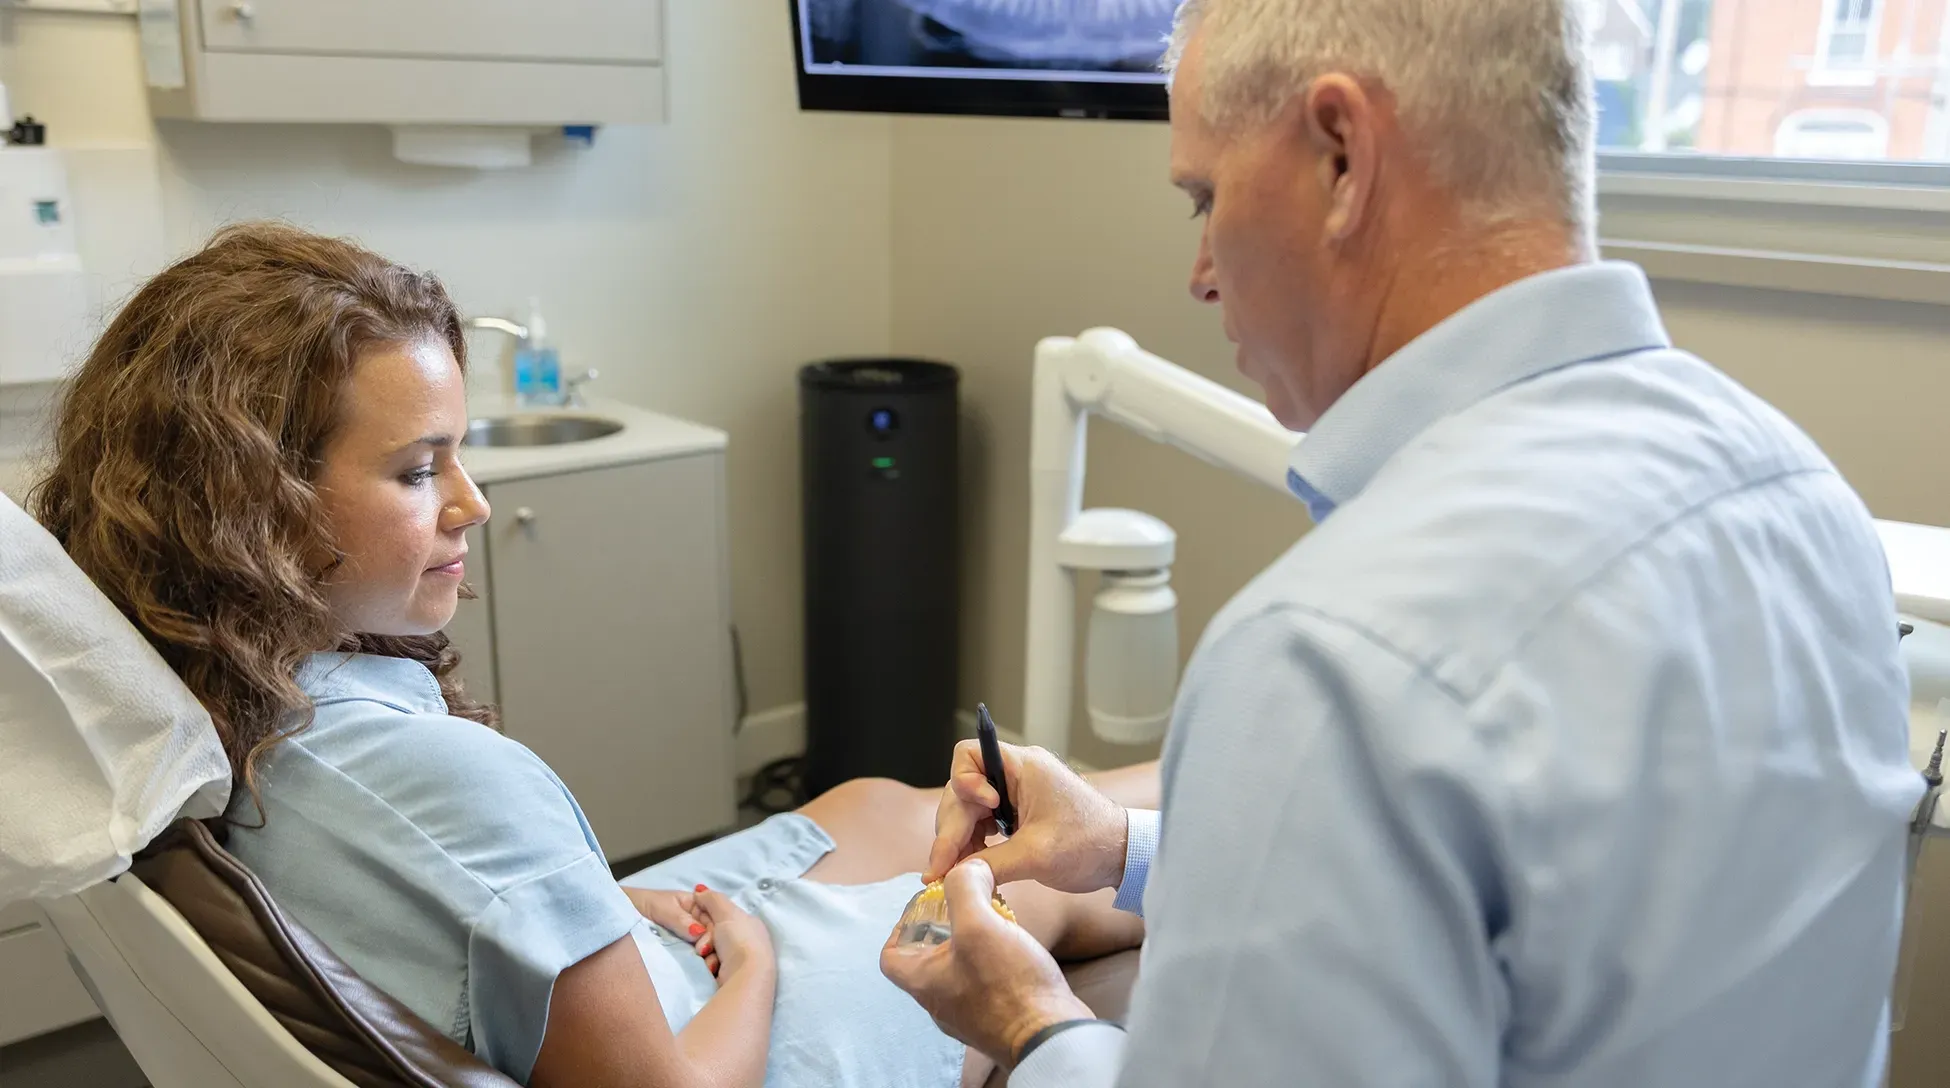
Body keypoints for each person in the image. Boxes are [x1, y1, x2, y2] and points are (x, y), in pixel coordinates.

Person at [881, 1, 1923, 1085]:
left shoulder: (1332, 652)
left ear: (1341, 156)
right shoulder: (1806, 500)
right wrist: (1124, 845)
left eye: (1206, 197)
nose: (1200, 270)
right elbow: (1558, 933)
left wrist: (1031, 1027)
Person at [30, 221, 1153, 1088]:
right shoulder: (448, 789)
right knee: (1012, 884)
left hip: (647, 973)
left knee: (879, 803)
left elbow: (454, 897)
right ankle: (1211, 832)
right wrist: (754, 964)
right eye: (419, 470)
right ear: (248, 504)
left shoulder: (188, 701)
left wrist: (589, 914)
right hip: (749, 1039)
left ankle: (1145, 818)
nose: (471, 502)